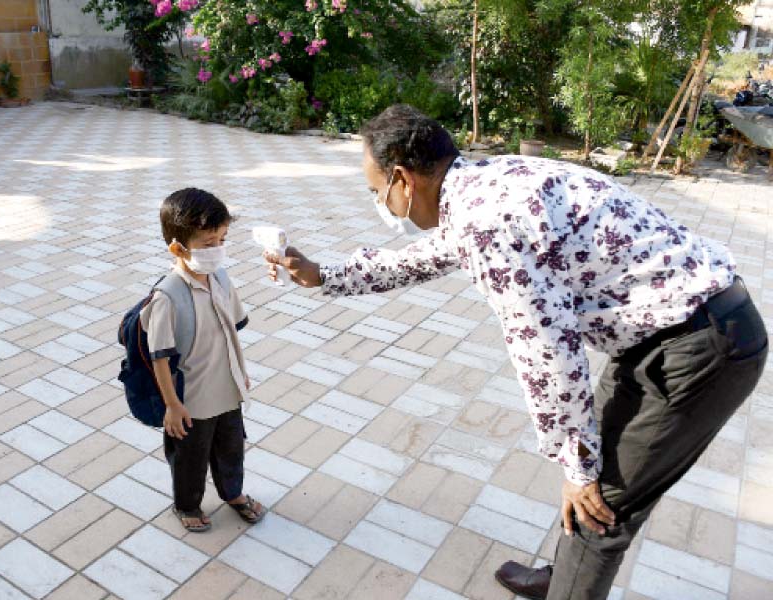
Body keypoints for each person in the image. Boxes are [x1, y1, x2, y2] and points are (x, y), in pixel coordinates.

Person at [264, 105, 768, 599]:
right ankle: (565, 578)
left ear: (402, 179)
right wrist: (325, 275)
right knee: (595, 469)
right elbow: (428, 256)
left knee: (601, 503)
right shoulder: (485, 183)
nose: (380, 202)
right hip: (667, 335)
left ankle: (572, 585)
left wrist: (575, 464)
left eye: (377, 191)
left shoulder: (487, 220)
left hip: (697, 348)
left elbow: (546, 351)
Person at [142, 188, 266, 532]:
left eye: (222, 239)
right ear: (177, 247)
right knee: (190, 458)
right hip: (190, 401)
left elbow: (231, 330)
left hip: (227, 390)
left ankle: (233, 493)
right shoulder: (167, 296)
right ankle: (187, 505)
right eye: (207, 244)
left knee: (231, 449)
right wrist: (172, 405)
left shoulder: (222, 278)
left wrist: (239, 373)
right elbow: (160, 358)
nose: (217, 250)